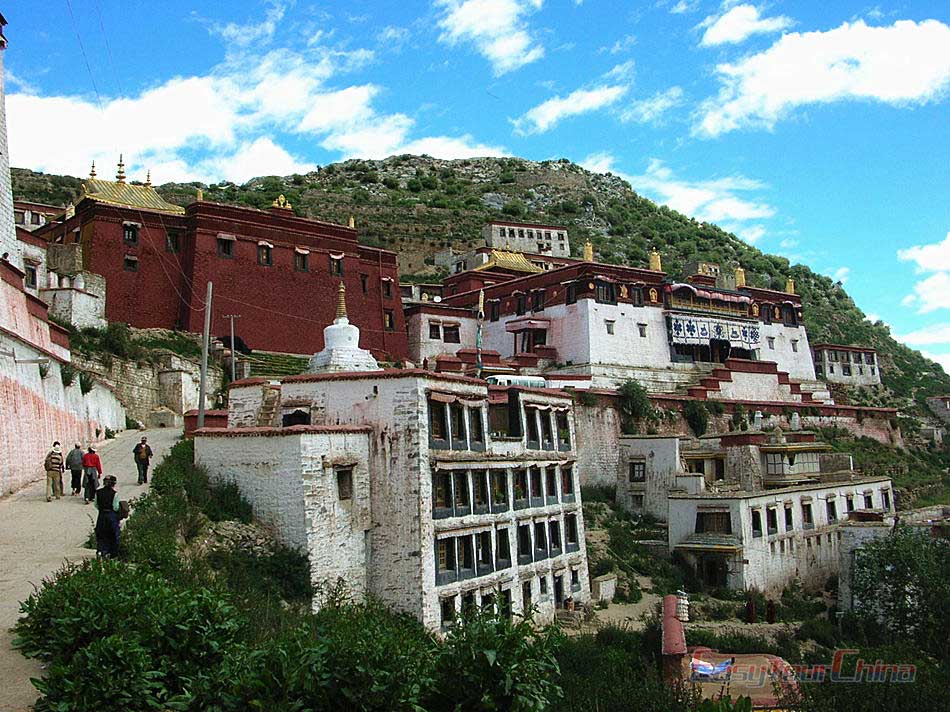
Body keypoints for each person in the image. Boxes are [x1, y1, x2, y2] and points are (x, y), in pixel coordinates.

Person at [94, 475, 121, 557]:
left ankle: (101, 550)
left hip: (101, 515)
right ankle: (112, 553)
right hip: (110, 516)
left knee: (101, 533)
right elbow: (115, 507)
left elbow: (96, 505)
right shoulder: (114, 494)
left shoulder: (98, 492)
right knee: (112, 534)